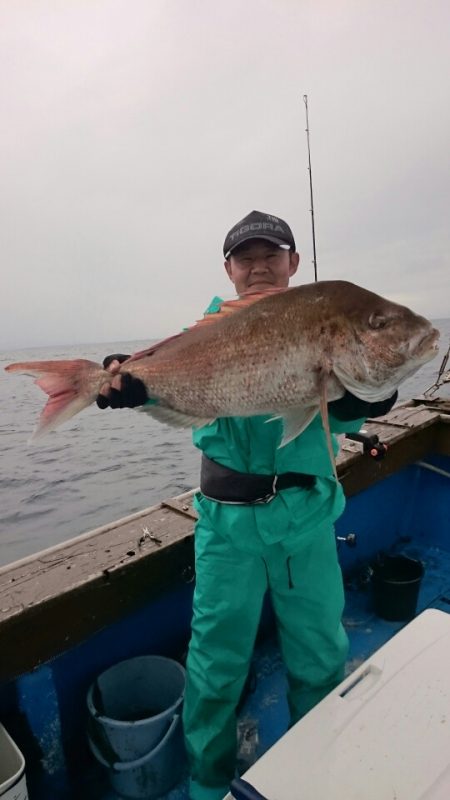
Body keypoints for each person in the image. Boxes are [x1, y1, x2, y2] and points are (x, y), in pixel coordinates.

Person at [97, 210, 397, 800]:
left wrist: (378, 388)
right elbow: (174, 366)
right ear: (229, 270)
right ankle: (208, 787)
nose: (258, 266)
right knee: (214, 668)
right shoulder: (206, 331)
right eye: (245, 257)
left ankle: (315, 772)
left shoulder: (320, 321)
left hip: (305, 518)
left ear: (294, 263)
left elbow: (352, 408)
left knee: (320, 654)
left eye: (271, 254)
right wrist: (127, 379)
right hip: (227, 527)